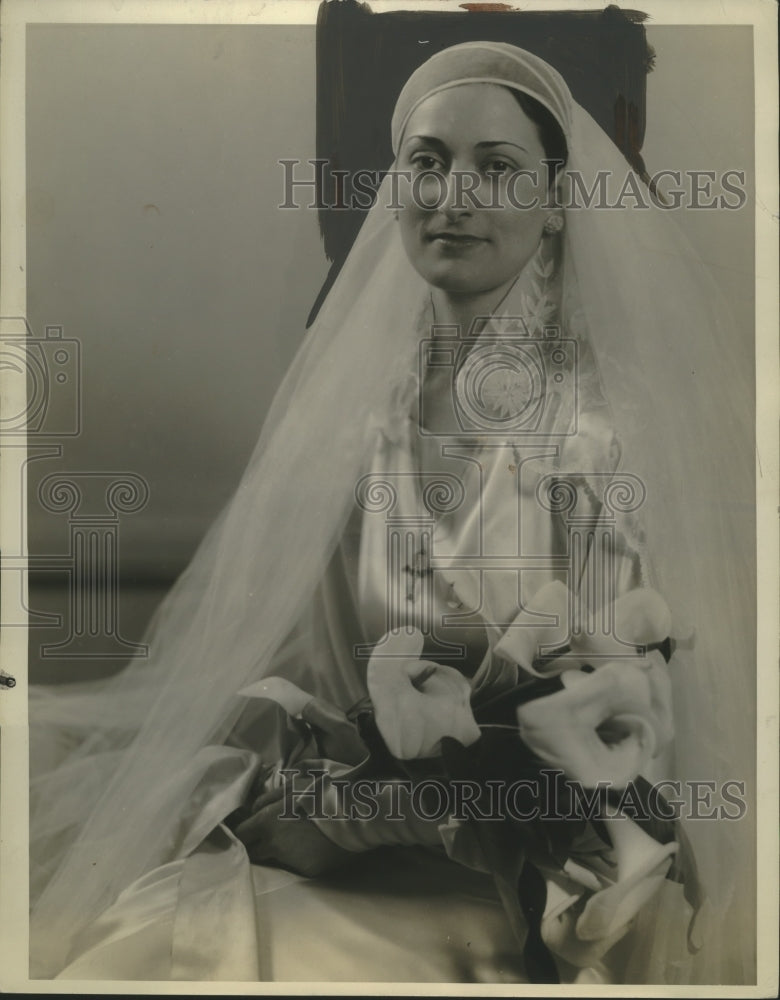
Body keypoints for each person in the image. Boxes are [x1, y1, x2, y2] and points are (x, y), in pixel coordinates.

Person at [29, 42, 755, 985]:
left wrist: (446, 802)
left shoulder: (598, 439)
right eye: (427, 162)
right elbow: (294, 678)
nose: (453, 193)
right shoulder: (355, 424)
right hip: (342, 835)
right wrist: (335, 802)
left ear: (560, 202)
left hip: (515, 887)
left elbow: (626, 728)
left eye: (497, 169)